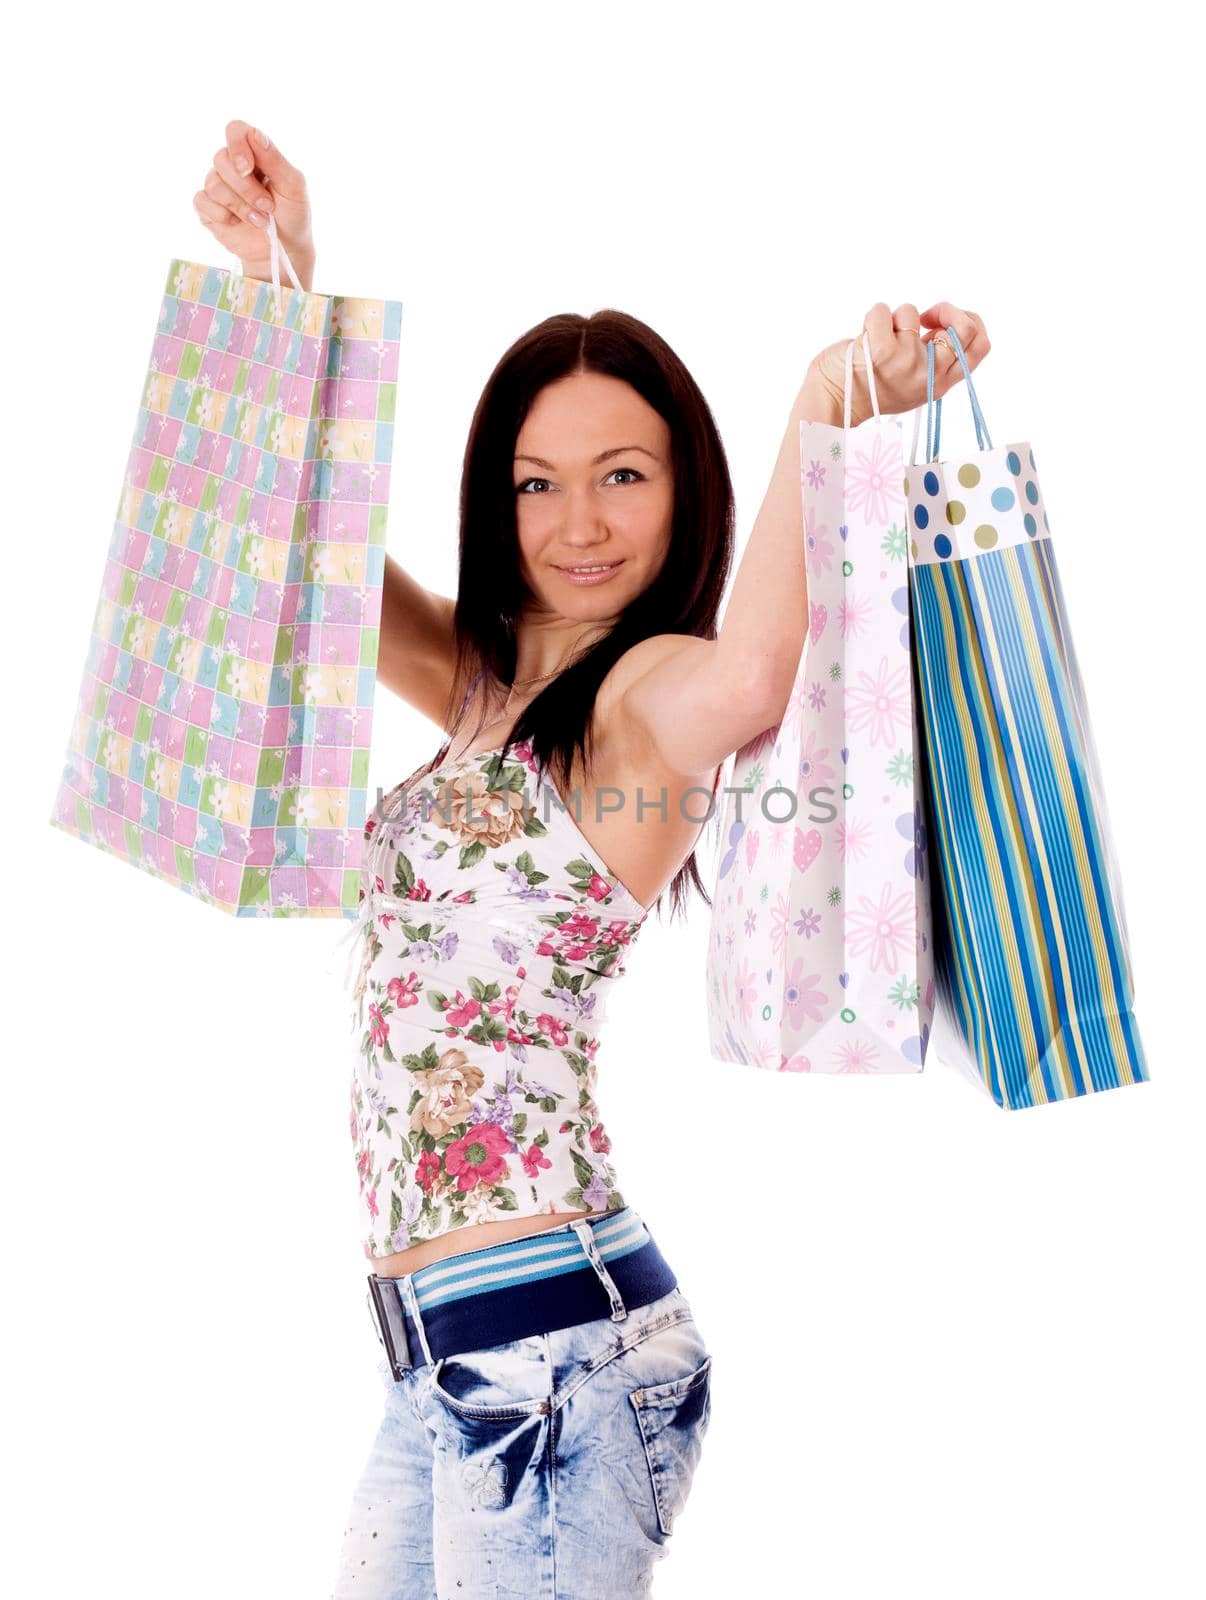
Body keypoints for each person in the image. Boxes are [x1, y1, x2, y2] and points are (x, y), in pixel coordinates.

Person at [193, 119, 989, 1598]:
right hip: (443, 1353)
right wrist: (282, 282)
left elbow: (751, 683)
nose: (575, 524)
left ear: (683, 486)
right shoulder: (488, 694)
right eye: (534, 483)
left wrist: (827, 398)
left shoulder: (642, 700)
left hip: (554, 1351)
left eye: (620, 475)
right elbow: (307, 545)